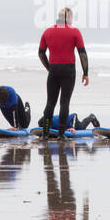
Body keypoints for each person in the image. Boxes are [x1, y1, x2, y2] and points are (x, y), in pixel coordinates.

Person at [37, 8, 88, 137]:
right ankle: (61, 134)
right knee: (64, 103)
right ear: (69, 18)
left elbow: (41, 53)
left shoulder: (47, 32)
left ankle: (45, 133)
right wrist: (85, 72)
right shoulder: (74, 32)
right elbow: (82, 54)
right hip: (68, 70)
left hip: (54, 69)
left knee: (50, 103)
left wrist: (50, 68)